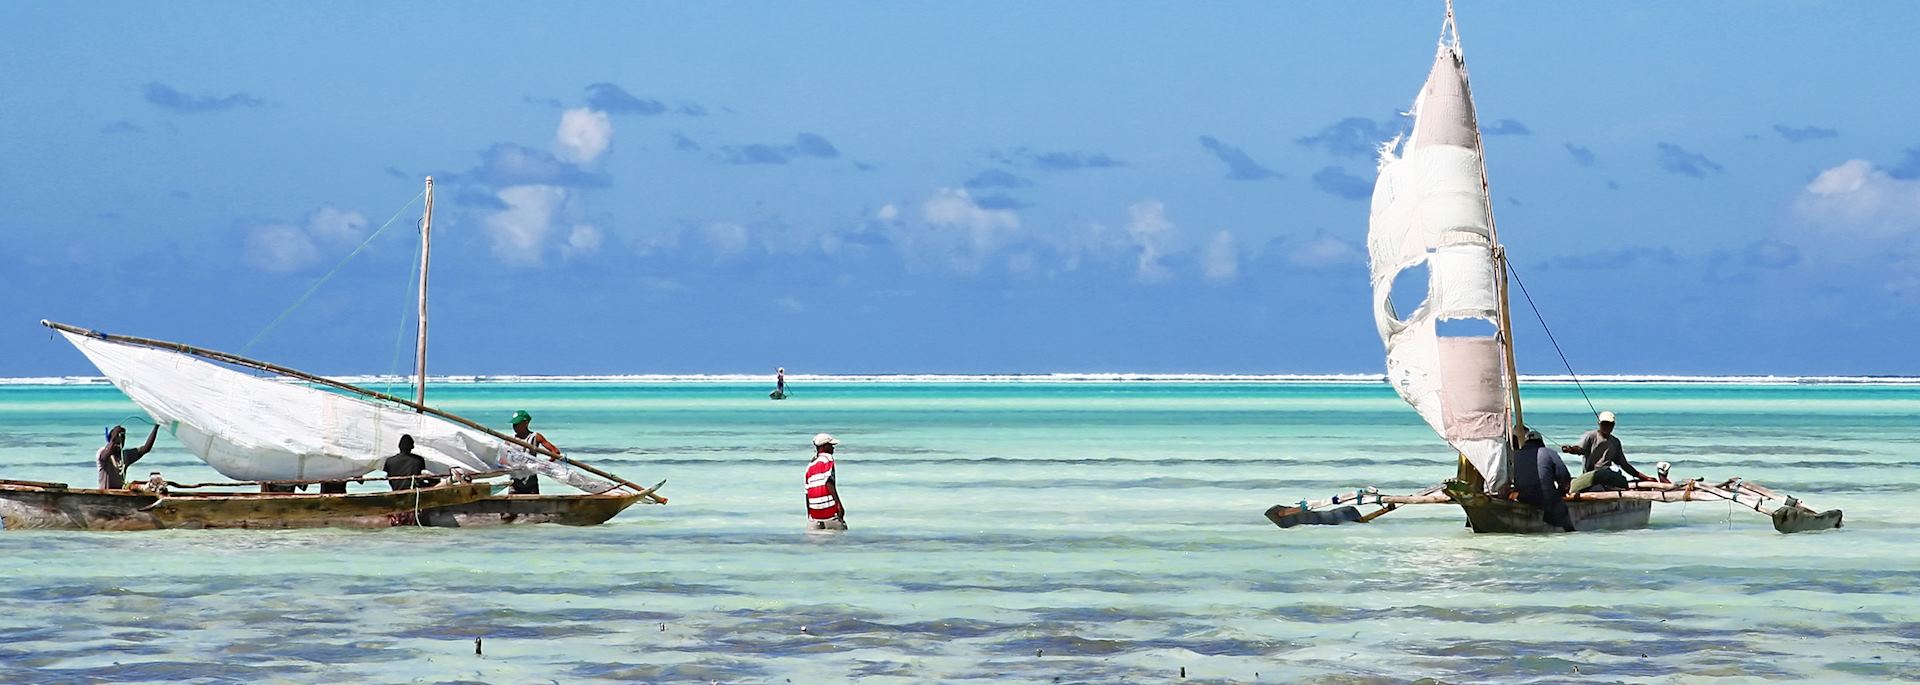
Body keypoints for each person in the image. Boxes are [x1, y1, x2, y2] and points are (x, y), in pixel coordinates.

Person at [1560, 410, 1652, 492]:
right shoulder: (1591, 436)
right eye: (1604, 424)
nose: (1606, 426)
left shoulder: (1615, 442)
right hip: (1591, 476)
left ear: (1613, 425)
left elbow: (1624, 465)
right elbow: (1579, 449)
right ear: (1599, 423)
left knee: (1618, 475)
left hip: (1607, 477)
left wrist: (1644, 477)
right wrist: (1570, 449)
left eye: (1609, 424)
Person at [1510, 428, 1575, 532]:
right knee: (1562, 511)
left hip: (1523, 497)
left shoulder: (1515, 455)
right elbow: (1564, 476)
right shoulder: (1549, 452)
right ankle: (1569, 533)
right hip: (1545, 497)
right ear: (1541, 442)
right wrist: (1562, 491)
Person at [507, 410, 561, 494]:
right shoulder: (510, 440)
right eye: (514, 424)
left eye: (517, 424)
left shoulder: (535, 437)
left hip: (531, 483)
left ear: (526, 423)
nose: (515, 426)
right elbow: (502, 457)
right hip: (514, 483)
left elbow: (555, 452)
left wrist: (545, 465)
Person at [803, 433, 846, 530]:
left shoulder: (810, 466)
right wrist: (839, 505)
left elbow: (807, 492)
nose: (833, 448)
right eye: (831, 445)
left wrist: (810, 515)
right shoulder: (827, 458)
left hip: (815, 514)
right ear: (825, 446)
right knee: (840, 541)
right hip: (830, 511)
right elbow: (828, 482)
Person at [96, 424, 158, 490]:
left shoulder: (125, 455)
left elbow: (145, 449)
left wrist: (156, 427)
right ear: (110, 442)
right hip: (105, 495)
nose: (119, 444)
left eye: (122, 441)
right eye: (116, 442)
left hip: (120, 495)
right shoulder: (102, 453)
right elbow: (106, 453)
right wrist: (114, 436)